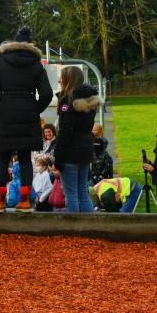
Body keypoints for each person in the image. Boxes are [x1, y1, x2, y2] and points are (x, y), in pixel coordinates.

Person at [0, 26, 54, 212]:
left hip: (4, 109)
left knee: (2, 157)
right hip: (28, 110)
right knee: (24, 158)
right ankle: (24, 201)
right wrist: (35, 109)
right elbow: (47, 93)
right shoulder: (36, 64)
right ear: (30, 44)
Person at [53, 66, 102, 213]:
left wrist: (58, 155)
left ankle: (75, 228)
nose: (59, 80)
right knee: (82, 191)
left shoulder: (68, 101)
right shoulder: (89, 101)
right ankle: (89, 225)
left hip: (70, 152)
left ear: (68, 79)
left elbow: (65, 131)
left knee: (71, 193)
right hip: (85, 150)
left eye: (61, 77)